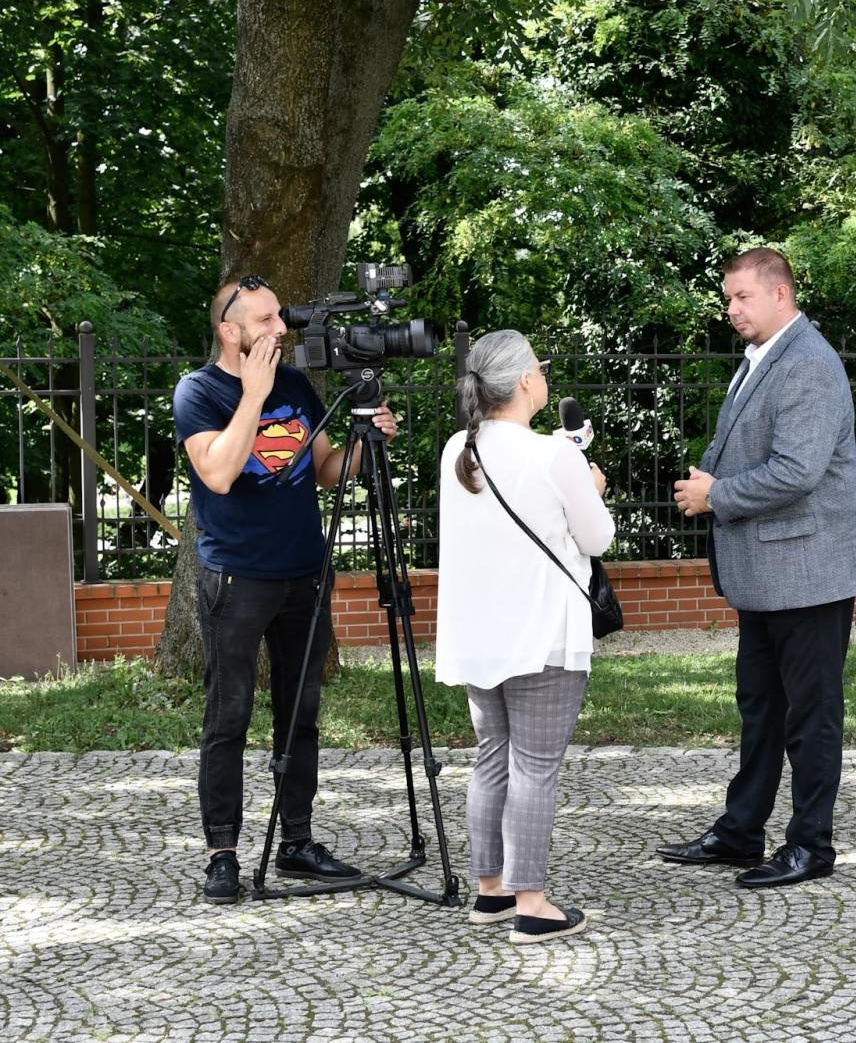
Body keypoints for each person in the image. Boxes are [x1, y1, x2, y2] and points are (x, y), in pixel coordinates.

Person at [174, 274, 397, 905]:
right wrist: (253, 395)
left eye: (280, 317)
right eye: (266, 320)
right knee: (229, 716)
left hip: (304, 573)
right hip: (237, 577)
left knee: (300, 714)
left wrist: (367, 440)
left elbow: (325, 469)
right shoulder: (199, 392)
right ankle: (222, 853)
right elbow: (219, 473)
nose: (281, 328)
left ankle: (297, 840)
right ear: (230, 331)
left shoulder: (296, 386)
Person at [663, 247, 856, 888]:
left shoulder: (807, 362)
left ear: (780, 294)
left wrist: (716, 495)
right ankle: (741, 832)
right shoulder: (762, 357)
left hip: (810, 573)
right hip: (768, 573)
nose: (731, 310)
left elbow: (795, 472)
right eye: (728, 298)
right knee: (760, 709)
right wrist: (708, 475)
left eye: (742, 297)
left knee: (810, 716)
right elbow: (744, 447)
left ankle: (811, 845)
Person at [435, 329, 614, 943]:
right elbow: (597, 538)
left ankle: (491, 891)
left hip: (482, 632)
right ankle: (533, 904)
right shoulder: (553, 456)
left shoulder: (458, 449)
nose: (544, 374)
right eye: (539, 365)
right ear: (524, 382)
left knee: (492, 759)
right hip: (543, 632)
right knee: (535, 767)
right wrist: (592, 489)